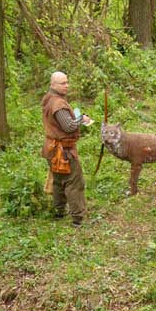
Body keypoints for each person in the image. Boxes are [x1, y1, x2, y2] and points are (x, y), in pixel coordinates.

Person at [41, 71, 91, 226]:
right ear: (53, 85)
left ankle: (59, 212)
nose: (66, 85)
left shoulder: (49, 98)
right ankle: (77, 219)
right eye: (63, 83)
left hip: (52, 148)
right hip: (63, 151)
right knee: (74, 182)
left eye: (67, 82)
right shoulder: (58, 104)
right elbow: (68, 126)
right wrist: (81, 119)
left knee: (58, 181)